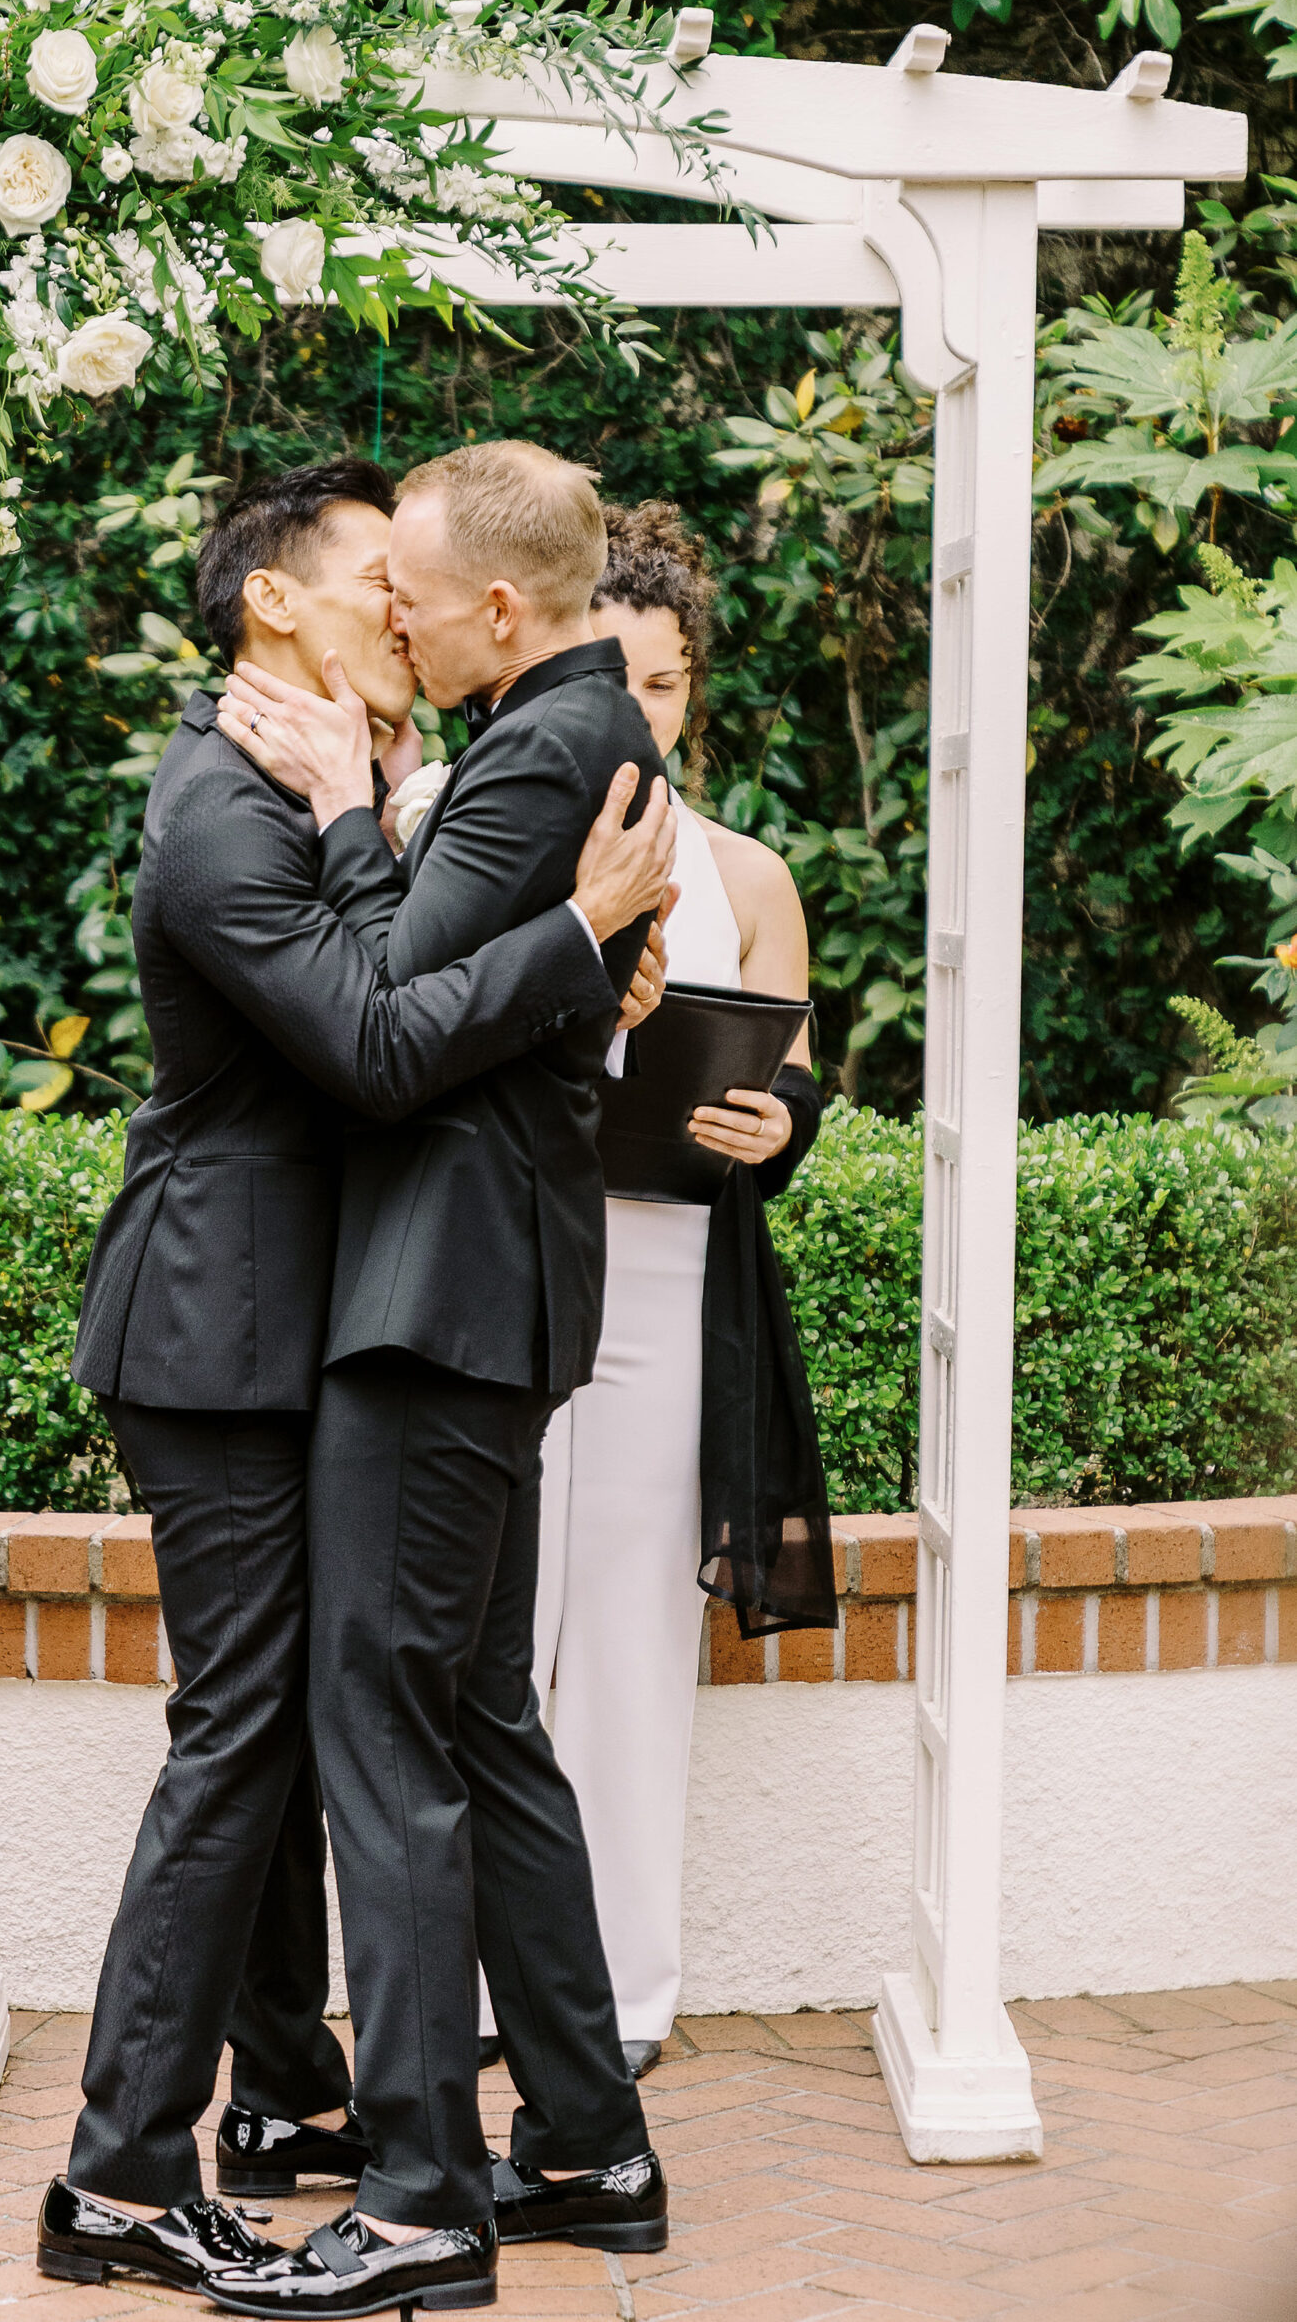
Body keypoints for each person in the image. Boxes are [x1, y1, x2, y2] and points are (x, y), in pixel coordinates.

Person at [37, 459, 676, 2296]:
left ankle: (420, 2144)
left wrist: (561, 955)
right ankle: (138, 2168)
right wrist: (564, 950)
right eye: (364, 586)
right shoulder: (232, 802)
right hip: (228, 1336)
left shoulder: (420, 773)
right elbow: (377, 1036)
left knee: (382, 1726)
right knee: (262, 1737)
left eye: (415, 588)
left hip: (368, 1316)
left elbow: (407, 993)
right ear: (277, 612)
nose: (394, 612)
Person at [494, 499, 824, 2082]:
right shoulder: (478, 824)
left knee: (628, 1642)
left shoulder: (750, 872)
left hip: (668, 1262)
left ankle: (617, 1999)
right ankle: (469, 1981)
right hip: (500, 1258)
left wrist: (778, 1120)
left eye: (672, 679)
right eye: (619, 675)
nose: (648, 709)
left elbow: (796, 1076)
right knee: (488, 1633)